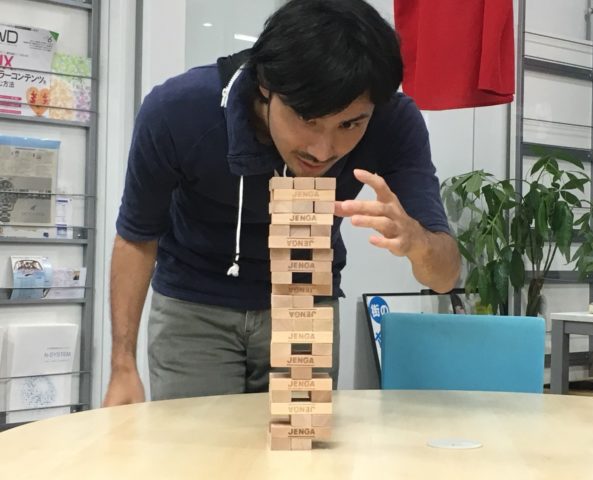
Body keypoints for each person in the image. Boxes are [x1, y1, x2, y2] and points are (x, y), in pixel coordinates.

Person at [103, 0, 460, 407]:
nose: (323, 150)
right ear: (265, 87)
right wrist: (122, 364)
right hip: (194, 303)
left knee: (301, 442)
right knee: (197, 440)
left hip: (305, 296)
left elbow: (445, 277)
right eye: (307, 119)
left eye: (350, 124)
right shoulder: (178, 111)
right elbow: (137, 236)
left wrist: (418, 242)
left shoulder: (394, 121)